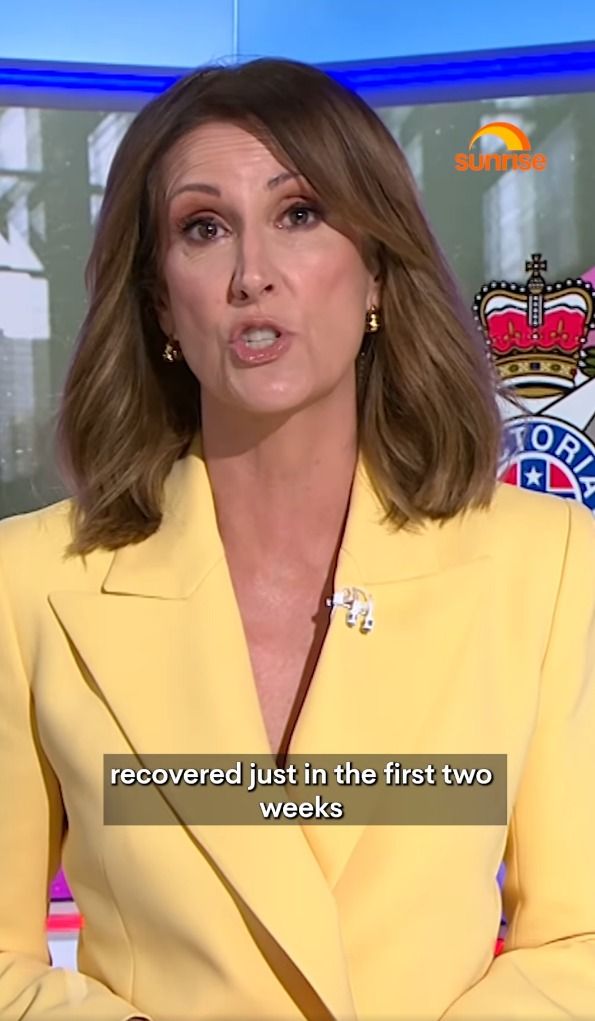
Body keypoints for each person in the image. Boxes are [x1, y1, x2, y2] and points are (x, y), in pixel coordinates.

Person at [0, 56, 594, 1021]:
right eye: (204, 228)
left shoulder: (548, 562)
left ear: (375, 271)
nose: (252, 276)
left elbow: (579, 940)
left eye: (300, 213)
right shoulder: (27, 583)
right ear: (160, 302)